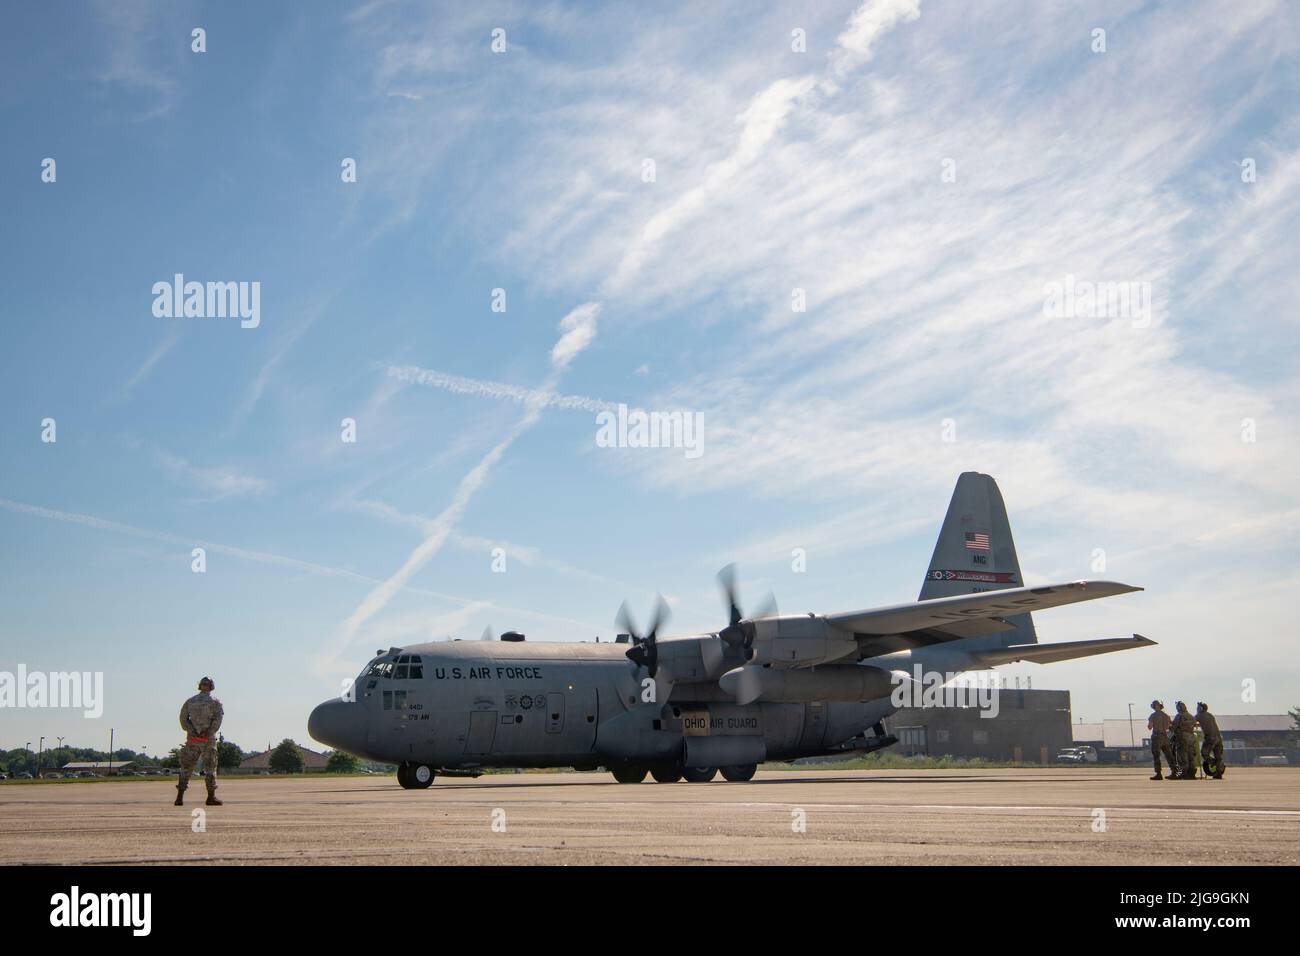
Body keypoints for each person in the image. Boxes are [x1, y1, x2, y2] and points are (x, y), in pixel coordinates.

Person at [176, 676, 224, 806]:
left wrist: (191, 731)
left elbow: (183, 718)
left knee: (186, 767)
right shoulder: (216, 703)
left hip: (192, 739)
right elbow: (218, 721)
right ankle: (211, 797)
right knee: (210, 768)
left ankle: (179, 797)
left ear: (200, 685)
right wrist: (208, 732)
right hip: (208, 740)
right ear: (211, 686)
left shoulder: (190, 701)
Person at [1146, 700, 1176, 780]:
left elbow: (1150, 727)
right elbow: (1171, 726)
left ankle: (1158, 773)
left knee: (1156, 756)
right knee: (1169, 756)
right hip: (1165, 737)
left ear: (1155, 706)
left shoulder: (1153, 715)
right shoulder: (1166, 716)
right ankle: (1174, 772)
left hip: (1157, 737)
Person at [1170, 701, 1198, 780]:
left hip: (1182, 738)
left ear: (1179, 708)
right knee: (1191, 756)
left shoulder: (1179, 716)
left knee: (1182, 756)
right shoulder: (1191, 716)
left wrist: (1169, 726)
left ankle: (1184, 772)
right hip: (1191, 738)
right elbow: (1195, 725)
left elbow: (1174, 727)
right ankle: (1192, 773)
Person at [1196, 702, 1225, 779]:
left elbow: (1191, 722)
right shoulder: (1210, 715)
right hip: (1218, 737)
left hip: (1210, 738)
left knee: (1204, 753)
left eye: (1198, 707)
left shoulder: (1199, 715)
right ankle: (1218, 772)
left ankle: (1214, 763)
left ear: (1201, 708)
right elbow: (1206, 723)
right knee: (1218, 756)